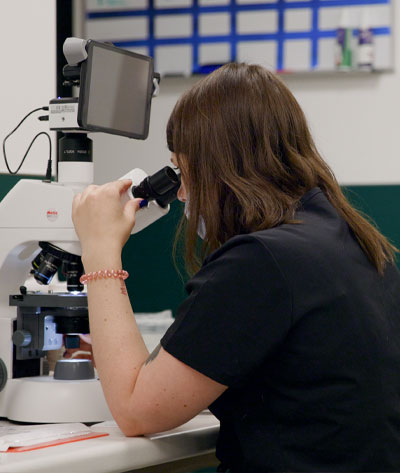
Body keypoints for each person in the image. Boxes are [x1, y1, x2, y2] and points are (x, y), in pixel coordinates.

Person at [72, 63, 400, 472]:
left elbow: (138, 411)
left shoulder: (261, 261)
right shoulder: (352, 239)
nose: (181, 193)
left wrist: (99, 249)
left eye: (182, 169)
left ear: (216, 166)